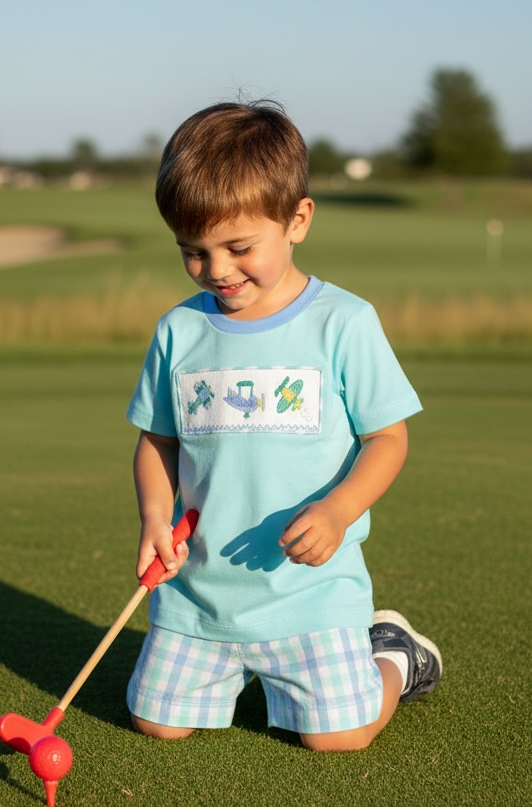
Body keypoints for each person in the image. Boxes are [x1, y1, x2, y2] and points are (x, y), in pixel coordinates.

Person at [125, 101, 441, 751]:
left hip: (312, 595)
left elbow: (388, 437)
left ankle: (394, 654)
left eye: (239, 247)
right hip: (200, 597)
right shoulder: (179, 330)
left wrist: (340, 511)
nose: (217, 270)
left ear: (297, 220)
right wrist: (155, 516)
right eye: (193, 251)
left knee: (341, 738)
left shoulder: (344, 322)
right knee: (156, 723)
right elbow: (157, 439)